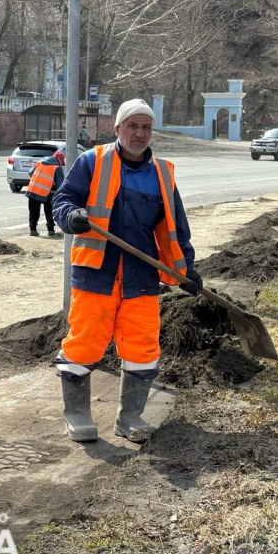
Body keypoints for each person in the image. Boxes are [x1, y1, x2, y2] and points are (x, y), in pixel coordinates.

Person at [52, 98, 202, 444]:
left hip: (141, 277)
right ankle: (77, 414)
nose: (139, 133)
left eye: (146, 127)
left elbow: (176, 227)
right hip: (96, 274)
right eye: (132, 126)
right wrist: (72, 216)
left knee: (142, 347)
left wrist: (188, 271)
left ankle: (130, 416)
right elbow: (63, 199)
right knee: (84, 344)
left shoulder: (162, 174)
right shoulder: (93, 162)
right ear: (117, 128)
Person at [25, 149, 65, 237]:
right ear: (59, 160)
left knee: (33, 211)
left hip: (33, 190)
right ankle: (51, 231)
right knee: (49, 211)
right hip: (47, 193)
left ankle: (33, 230)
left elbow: (30, 173)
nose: (61, 165)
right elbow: (61, 184)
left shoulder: (39, 162)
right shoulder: (56, 167)